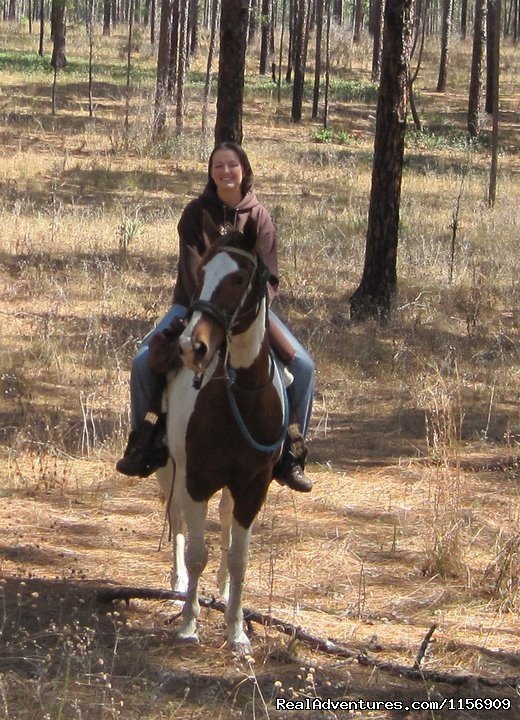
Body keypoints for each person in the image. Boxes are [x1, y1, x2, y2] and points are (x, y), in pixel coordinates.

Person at [116, 142, 314, 492]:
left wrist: (249, 311)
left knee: (303, 367)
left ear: (244, 170)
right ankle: (144, 441)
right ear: (211, 171)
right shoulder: (195, 214)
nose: (226, 172)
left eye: (232, 165)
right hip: (195, 306)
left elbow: (270, 276)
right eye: (219, 165)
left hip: (249, 312)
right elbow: (194, 271)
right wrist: (208, 309)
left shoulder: (260, 217)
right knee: (143, 362)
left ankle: (291, 454)